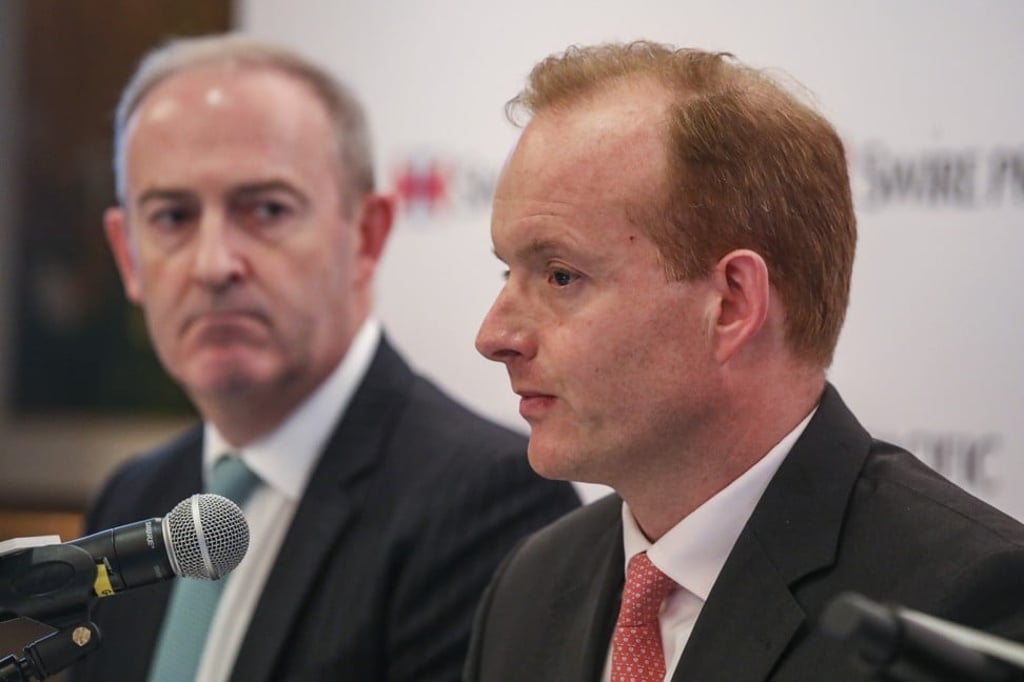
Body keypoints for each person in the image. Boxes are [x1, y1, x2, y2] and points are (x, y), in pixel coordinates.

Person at [465, 41, 1024, 681]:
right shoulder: (531, 586)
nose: (494, 334)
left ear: (731, 304)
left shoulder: (963, 614)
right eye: (508, 271)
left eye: (560, 276)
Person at [69, 33, 579, 682]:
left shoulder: (492, 501)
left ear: (366, 237)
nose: (214, 264)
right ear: (127, 255)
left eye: (266, 209)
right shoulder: (133, 499)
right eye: (172, 217)